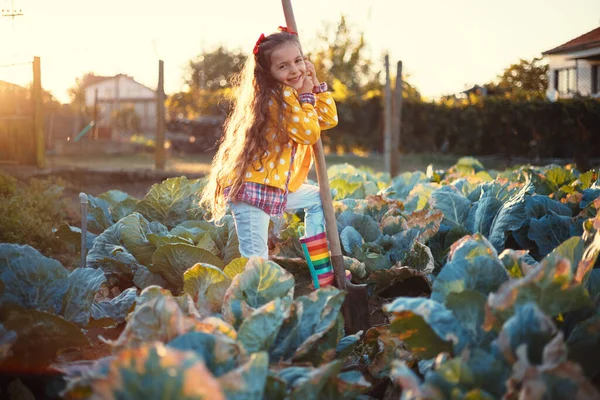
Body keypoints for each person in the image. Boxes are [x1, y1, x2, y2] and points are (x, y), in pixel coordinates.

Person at [199, 27, 338, 288]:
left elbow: (327, 120)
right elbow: (309, 133)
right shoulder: (279, 98)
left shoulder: (292, 94)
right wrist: (307, 96)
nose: (294, 70)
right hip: (253, 192)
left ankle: (321, 270)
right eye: (283, 66)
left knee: (321, 198)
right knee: (256, 261)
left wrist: (315, 84)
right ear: (269, 74)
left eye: (298, 61)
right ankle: (249, 309)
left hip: (274, 188)